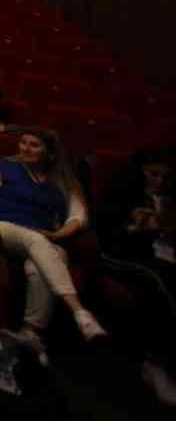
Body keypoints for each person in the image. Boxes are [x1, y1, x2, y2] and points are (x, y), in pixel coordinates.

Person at [0, 128, 108, 359]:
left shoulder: (63, 178)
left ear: (51, 153)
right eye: (23, 143)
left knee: (52, 256)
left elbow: (78, 217)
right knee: (36, 240)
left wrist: (58, 235)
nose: (25, 148)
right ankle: (79, 311)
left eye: (34, 145)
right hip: (3, 229)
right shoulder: (1, 165)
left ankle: (31, 334)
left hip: (47, 237)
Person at [94, 146, 176, 404]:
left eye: (165, 177)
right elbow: (107, 233)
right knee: (162, 278)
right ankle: (155, 363)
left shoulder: (170, 197)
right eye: (153, 175)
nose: (159, 182)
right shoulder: (123, 191)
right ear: (141, 172)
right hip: (123, 253)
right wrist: (135, 227)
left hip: (164, 254)